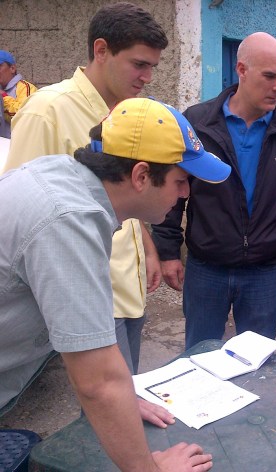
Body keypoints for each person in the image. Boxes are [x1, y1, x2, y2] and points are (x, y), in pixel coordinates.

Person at [0, 97, 231, 471]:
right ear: (140, 176)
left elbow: (80, 329)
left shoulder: (68, 179)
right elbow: (97, 380)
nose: (186, 193)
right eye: (181, 180)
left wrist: (123, 401)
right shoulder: (70, 219)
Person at [3, 2, 168, 375]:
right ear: (101, 50)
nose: (147, 77)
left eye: (152, 67)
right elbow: (17, 214)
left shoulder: (130, 112)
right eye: (139, 64)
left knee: (130, 399)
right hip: (87, 295)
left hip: (130, 289)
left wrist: (148, 249)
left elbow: (126, 193)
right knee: (109, 404)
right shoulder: (47, 110)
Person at [152, 32, 276, 349]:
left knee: (256, 363)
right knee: (199, 356)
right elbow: (170, 192)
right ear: (241, 69)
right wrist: (168, 251)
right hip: (206, 266)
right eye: (270, 76)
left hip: (265, 270)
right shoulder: (197, 123)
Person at [0, 50, 37, 138]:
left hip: (18, 145)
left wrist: (3, 97)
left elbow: (23, 117)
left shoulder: (26, 88)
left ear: (12, 68)